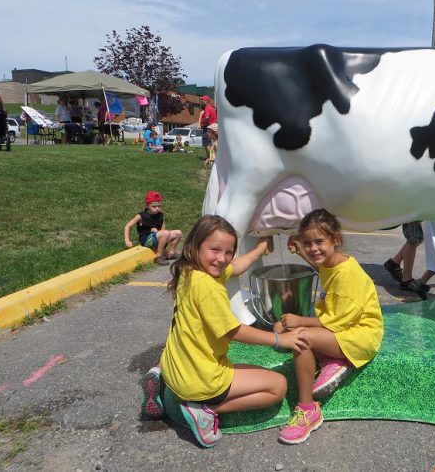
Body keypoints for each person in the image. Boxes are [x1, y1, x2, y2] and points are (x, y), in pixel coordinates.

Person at [139, 215, 308, 448]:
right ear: (195, 246)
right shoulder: (209, 287)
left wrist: (259, 249)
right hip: (199, 378)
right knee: (277, 386)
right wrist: (280, 339)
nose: (222, 258)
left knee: (253, 371)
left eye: (228, 252)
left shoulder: (190, 271)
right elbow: (233, 331)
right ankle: (204, 409)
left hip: (174, 366)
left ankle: (161, 380)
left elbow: (235, 267)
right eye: (215, 249)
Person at [278, 208, 384, 444]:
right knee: (281, 328)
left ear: (336, 240)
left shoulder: (349, 276)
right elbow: (322, 268)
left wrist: (300, 320)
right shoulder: (331, 261)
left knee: (300, 337)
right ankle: (331, 360)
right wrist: (301, 254)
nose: (313, 248)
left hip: (359, 337)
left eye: (319, 242)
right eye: (307, 243)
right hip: (342, 327)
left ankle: (308, 411)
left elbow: (336, 322)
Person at [124, 190, 183, 265]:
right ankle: (158, 256)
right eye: (154, 206)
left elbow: (163, 229)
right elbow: (128, 226)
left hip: (157, 236)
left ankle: (171, 253)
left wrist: (158, 232)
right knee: (165, 233)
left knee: (178, 233)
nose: (157, 208)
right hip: (146, 240)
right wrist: (127, 240)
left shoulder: (160, 215)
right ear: (147, 206)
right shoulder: (141, 216)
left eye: (159, 206)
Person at [383, 222, 431, 296]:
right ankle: (406, 279)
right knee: (414, 239)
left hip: (411, 210)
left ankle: (393, 263)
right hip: (410, 210)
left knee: (416, 238)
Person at [198, 95, 217, 161]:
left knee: (207, 143)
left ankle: (210, 158)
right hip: (212, 126)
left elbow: (207, 118)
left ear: (206, 101)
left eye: (202, 100)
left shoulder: (207, 108)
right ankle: (210, 157)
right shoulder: (211, 108)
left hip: (208, 127)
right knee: (209, 143)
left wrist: (202, 124)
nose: (201, 101)